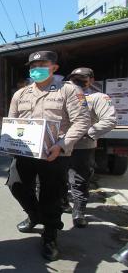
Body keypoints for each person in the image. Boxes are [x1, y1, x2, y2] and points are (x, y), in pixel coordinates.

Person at [8, 51, 91, 261]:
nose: (36, 68)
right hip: (25, 151)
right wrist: (9, 141)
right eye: (32, 65)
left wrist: (62, 145)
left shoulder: (69, 90)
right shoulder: (21, 94)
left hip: (55, 153)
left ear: (54, 67)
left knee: (51, 195)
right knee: (16, 185)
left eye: (42, 63)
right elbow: (12, 121)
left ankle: (50, 235)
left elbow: (81, 120)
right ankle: (34, 215)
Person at [67, 67, 117, 228]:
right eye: (75, 78)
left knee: (79, 180)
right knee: (58, 177)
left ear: (92, 80)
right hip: (60, 145)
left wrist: (87, 134)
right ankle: (62, 203)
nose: (78, 81)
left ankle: (79, 212)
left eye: (83, 78)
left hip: (82, 146)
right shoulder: (65, 96)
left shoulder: (98, 97)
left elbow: (109, 120)